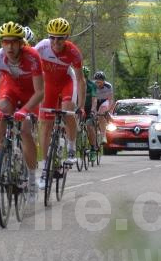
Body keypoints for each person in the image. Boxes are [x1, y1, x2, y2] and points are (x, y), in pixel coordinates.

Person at [0, 21, 44, 202]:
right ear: (1, 43)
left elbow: (40, 91)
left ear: (21, 43)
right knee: (1, 113)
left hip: (30, 94)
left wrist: (25, 110)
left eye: (13, 42)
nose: (9, 46)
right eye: (5, 42)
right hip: (9, 90)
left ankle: (32, 179)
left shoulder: (33, 57)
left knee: (25, 130)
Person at [34, 18, 85, 189]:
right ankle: (46, 167)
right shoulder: (41, 47)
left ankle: (71, 148)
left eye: (60, 38)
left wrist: (82, 106)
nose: (56, 42)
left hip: (66, 82)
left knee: (67, 110)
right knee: (45, 125)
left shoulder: (73, 52)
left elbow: (80, 79)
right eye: (52, 37)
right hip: (48, 85)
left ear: (67, 37)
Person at [82, 66, 99, 157]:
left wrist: (93, 110)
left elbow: (94, 99)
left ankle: (93, 148)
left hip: (89, 108)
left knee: (89, 126)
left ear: (86, 76)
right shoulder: (75, 84)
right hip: (79, 108)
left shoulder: (91, 85)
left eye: (83, 76)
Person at [94, 71, 115, 143]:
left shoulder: (108, 86)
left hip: (104, 101)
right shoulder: (93, 86)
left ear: (103, 81)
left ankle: (103, 136)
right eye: (97, 82)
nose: (98, 84)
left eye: (100, 82)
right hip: (96, 101)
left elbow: (111, 99)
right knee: (93, 116)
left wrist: (109, 110)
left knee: (101, 115)